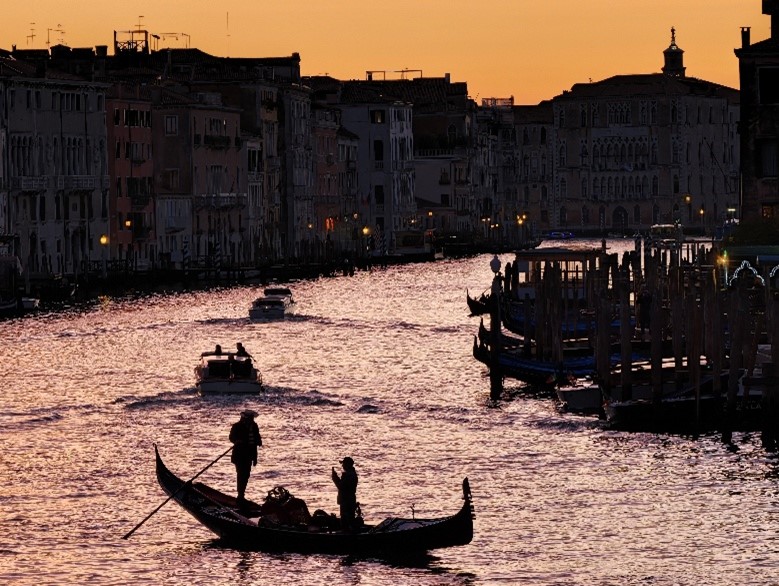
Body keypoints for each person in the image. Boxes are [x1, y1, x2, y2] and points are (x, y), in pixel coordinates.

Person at [229, 409, 262, 505]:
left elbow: (256, 438)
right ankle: (240, 495)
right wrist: (237, 441)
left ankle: (241, 495)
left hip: (250, 455)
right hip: (239, 455)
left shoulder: (254, 426)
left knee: (246, 475)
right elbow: (231, 437)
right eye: (250, 418)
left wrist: (259, 441)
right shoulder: (237, 426)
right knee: (241, 474)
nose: (252, 420)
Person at [331, 456, 358, 530]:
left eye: (343, 464)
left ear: (348, 465)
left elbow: (341, 486)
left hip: (346, 502)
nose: (342, 466)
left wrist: (334, 477)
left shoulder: (349, 475)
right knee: (349, 521)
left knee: (346, 523)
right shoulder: (351, 474)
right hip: (349, 501)